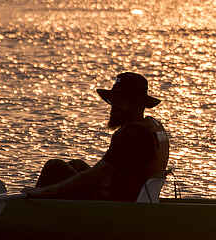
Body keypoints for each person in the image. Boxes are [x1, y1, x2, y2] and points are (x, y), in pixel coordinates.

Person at [18, 72, 170, 202]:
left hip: (117, 203)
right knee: (77, 164)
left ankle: (32, 208)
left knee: (54, 167)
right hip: (133, 196)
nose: (113, 106)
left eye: (120, 101)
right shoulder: (153, 126)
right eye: (113, 101)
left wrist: (44, 192)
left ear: (136, 103)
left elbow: (97, 174)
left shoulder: (131, 134)